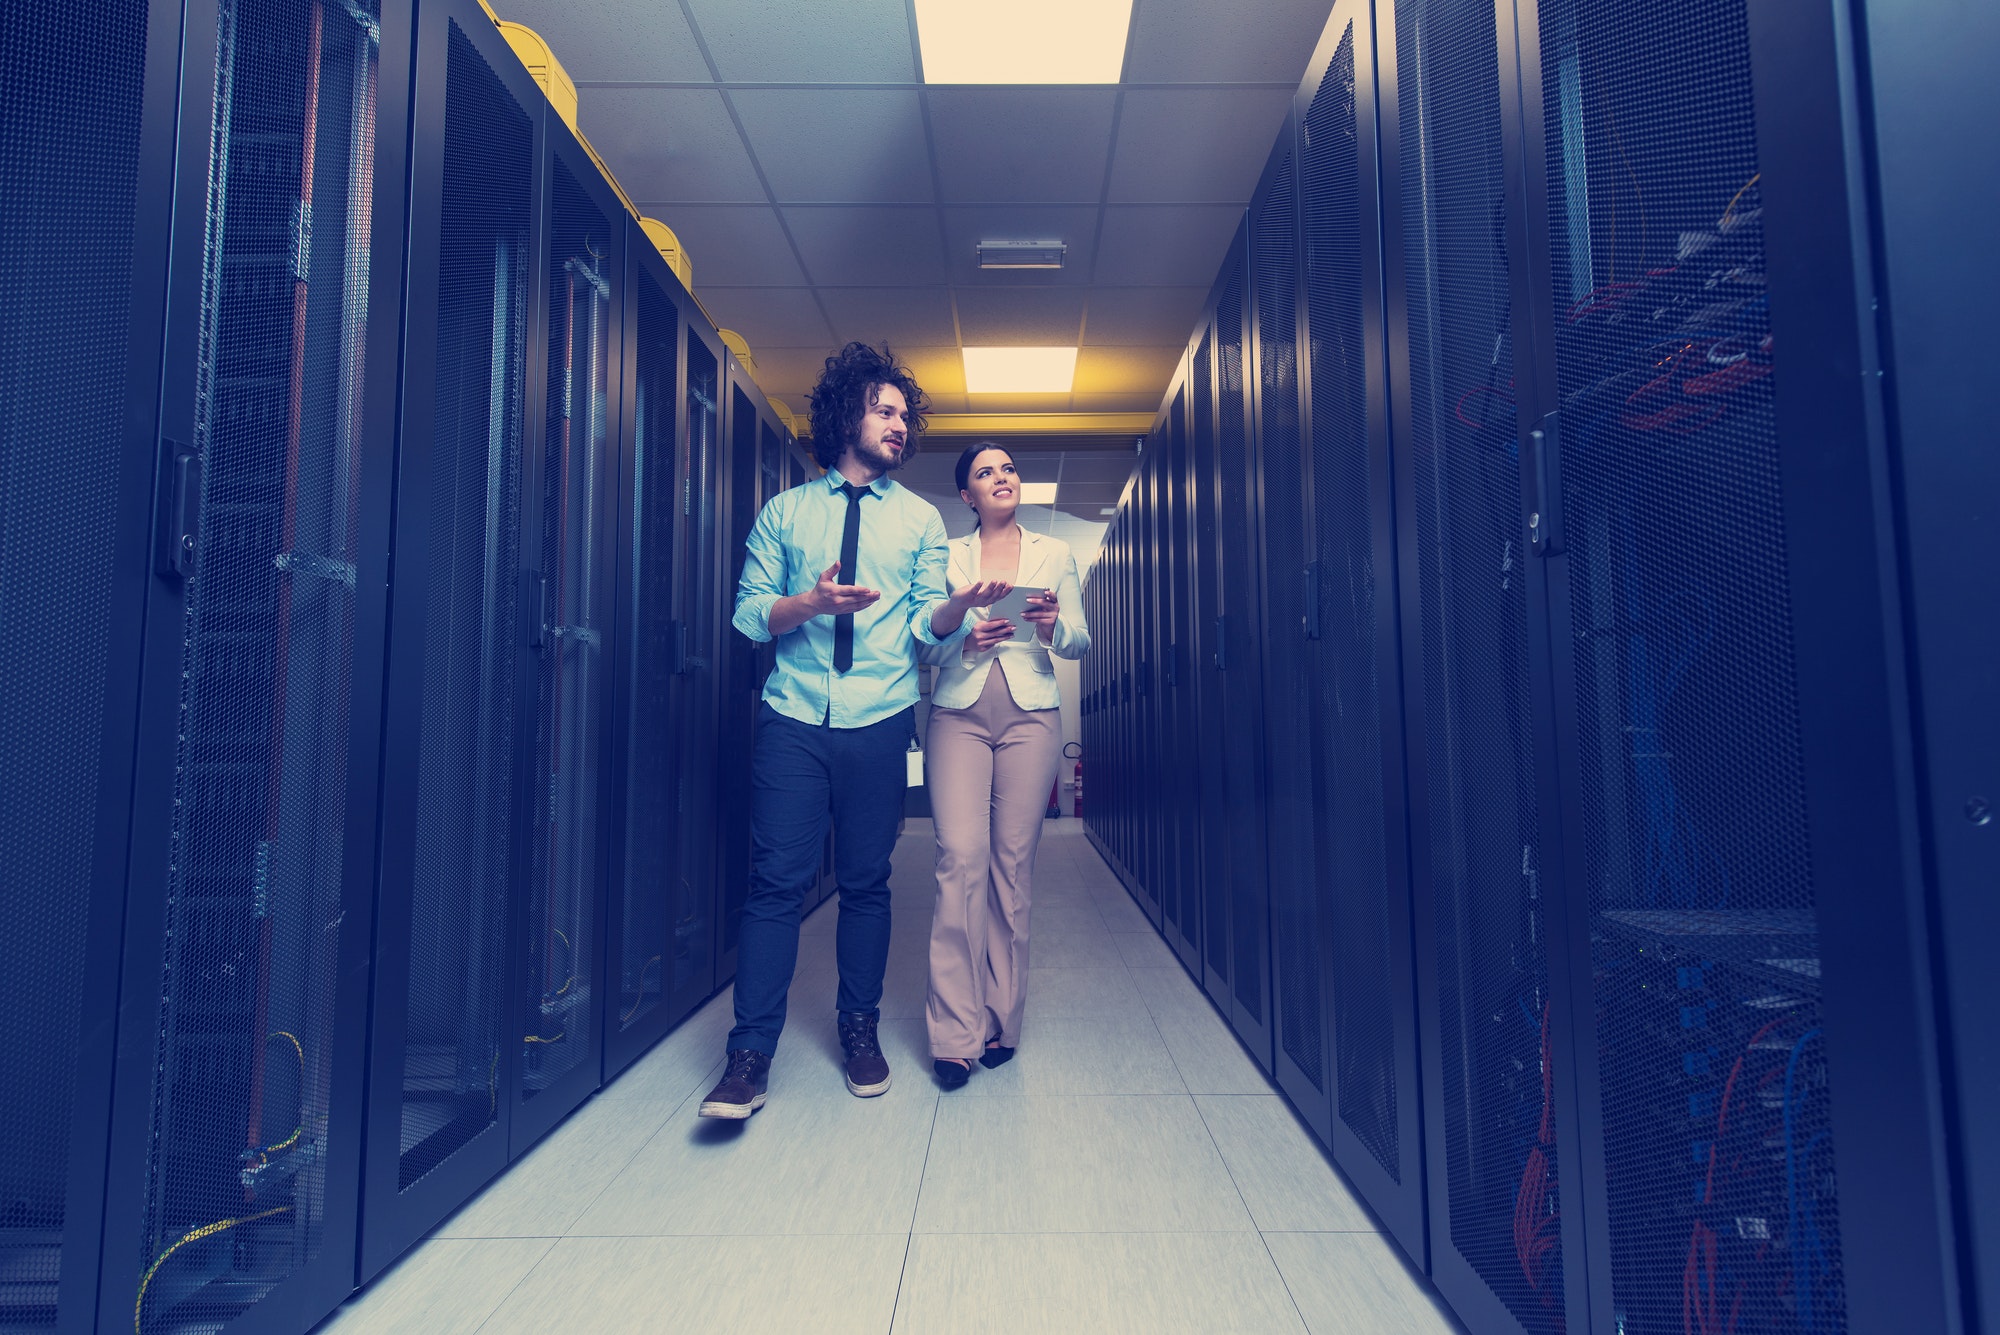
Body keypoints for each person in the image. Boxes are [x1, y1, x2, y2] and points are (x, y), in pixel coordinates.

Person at [700, 345, 1009, 1119]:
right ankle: (749, 1055)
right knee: (775, 884)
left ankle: (860, 1030)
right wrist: (807, 605)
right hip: (795, 717)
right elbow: (747, 613)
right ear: (846, 414)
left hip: (878, 720)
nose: (899, 425)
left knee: (868, 884)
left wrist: (953, 607)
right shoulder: (786, 512)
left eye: (906, 416)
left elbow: (926, 634)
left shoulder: (920, 520)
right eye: (885, 410)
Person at [922, 443, 1091, 1089]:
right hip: (959, 714)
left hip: (1031, 717)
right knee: (959, 858)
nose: (1002, 477)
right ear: (967, 495)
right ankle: (953, 1033)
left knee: (1011, 868)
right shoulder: (945, 558)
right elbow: (922, 642)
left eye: (1009, 468)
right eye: (986, 472)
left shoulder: (1056, 553)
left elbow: (1080, 637)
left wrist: (1049, 625)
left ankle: (1001, 1022)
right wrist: (961, 636)